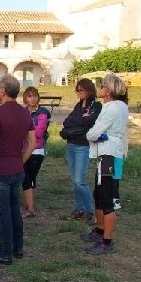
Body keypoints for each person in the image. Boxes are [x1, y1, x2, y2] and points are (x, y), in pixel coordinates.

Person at [0, 75, 35, 265]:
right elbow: (32, 143)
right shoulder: (25, 113)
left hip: (0, 170)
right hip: (16, 169)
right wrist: (20, 161)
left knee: (4, 213)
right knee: (14, 210)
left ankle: (5, 253)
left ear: (2, 91)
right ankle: (17, 248)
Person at [81, 74, 130, 254]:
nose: (99, 88)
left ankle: (107, 241)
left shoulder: (111, 108)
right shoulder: (122, 106)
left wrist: (95, 135)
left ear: (108, 91)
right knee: (99, 194)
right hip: (111, 154)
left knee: (107, 198)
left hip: (109, 155)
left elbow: (92, 134)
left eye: (101, 86)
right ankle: (100, 230)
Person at [61, 78, 102, 226]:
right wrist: (81, 121)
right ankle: (80, 208)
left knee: (80, 180)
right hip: (71, 145)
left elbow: (91, 122)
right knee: (75, 180)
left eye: (82, 90)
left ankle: (91, 211)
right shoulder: (78, 106)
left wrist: (79, 123)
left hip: (83, 146)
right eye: (77, 90)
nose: (79, 92)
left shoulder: (96, 106)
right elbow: (66, 122)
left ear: (89, 90)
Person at [21, 86, 52, 218]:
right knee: (28, 177)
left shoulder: (43, 112)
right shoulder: (22, 112)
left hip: (37, 149)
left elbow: (39, 132)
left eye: (34, 96)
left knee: (28, 177)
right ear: (25, 98)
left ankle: (30, 209)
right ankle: (28, 205)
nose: (32, 99)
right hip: (23, 149)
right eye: (29, 96)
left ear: (38, 97)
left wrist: (23, 132)